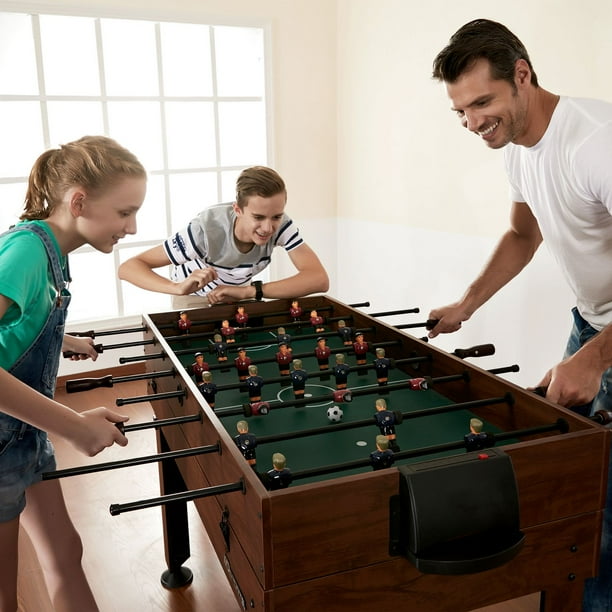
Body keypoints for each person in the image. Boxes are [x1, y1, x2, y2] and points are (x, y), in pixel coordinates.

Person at [430, 19, 612, 611]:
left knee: (604, 508)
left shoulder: (597, 144)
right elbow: (520, 233)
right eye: (461, 110)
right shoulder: (518, 150)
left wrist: (597, 356)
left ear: (523, 77)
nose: (473, 121)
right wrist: (467, 303)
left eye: (482, 101)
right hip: (592, 324)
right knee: (572, 482)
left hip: (604, 338)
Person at [0, 135, 146, 611]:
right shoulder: (25, 251)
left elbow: (15, 325)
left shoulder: (52, 251)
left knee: (66, 552)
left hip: (22, 436)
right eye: (125, 211)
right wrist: (74, 425)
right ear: (78, 201)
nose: (132, 225)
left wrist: (62, 339)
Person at [118, 166, 329, 309]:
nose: (268, 227)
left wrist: (248, 291)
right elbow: (129, 267)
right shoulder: (205, 231)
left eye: (276, 216)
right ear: (237, 209)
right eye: (258, 217)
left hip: (235, 292)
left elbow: (319, 279)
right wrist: (177, 288)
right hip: (194, 297)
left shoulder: (281, 225)